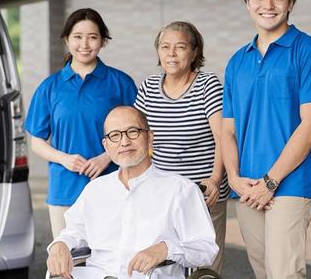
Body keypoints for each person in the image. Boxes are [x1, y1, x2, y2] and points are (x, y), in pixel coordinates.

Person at [221, 0, 311, 278]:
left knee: (284, 272)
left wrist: (271, 181)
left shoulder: (308, 52)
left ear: (291, 3)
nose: (268, 5)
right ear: (247, 2)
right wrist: (233, 176)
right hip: (246, 185)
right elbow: (227, 130)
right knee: (262, 271)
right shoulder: (236, 62)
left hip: (288, 185)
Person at [46, 106, 218, 279]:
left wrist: (166, 249)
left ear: (150, 137)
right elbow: (73, 232)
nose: (124, 142)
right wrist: (60, 244)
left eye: (133, 131)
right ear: (106, 145)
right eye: (115, 135)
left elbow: (206, 249)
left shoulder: (180, 190)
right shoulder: (94, 190)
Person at [25, 8, 137, 237]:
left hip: (113, 186)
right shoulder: (50, 87)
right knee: (68, 265)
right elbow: (37, 142)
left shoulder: (120, 83)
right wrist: (64, 159)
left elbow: (139, 134)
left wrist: (107, 157)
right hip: (64, 190)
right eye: (77, 36)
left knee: (112, 263)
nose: (84, 44)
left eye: (92, 37)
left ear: (103, 41)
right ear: (67, 39)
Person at [135, 21, 227, 273]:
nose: (171, 54)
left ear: (195, 52)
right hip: (163, 194)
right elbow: (140, 138)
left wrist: (215, 179)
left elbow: (223, 138)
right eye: (165, 47)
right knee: (164, 265)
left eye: (180, 47)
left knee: (203, 267)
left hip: (203, 192)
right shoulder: (148, 88)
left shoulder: (208, 85)